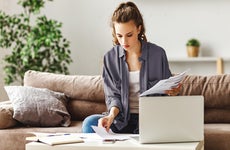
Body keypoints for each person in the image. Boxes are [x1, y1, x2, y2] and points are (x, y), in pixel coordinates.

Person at [82, 1, 181, 134]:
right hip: (121, 119)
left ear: (138, 29)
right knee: (90, 123)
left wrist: (173, 92)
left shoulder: (158, 54)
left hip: (151, 119)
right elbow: (113, 97)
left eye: (129, 35)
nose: (124, 42)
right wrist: (111, 116)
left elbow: (168, 90)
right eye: (119, 36)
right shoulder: (110, 58)